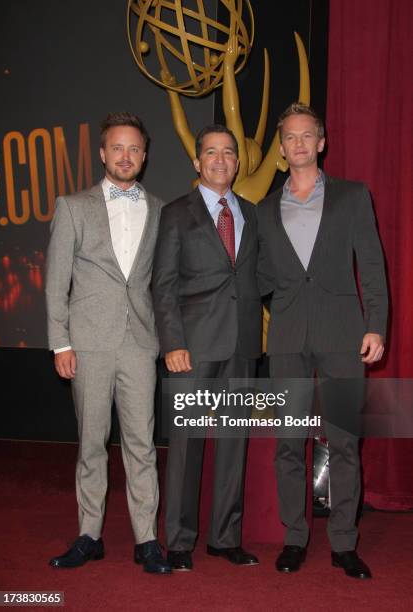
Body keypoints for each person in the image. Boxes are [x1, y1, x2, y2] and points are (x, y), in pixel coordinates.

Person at [257, 103, 388, 579]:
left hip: (344, 333)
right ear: (282, 146)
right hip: (288, 336)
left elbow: (371, 265)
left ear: (321, 142)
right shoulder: (265, 208)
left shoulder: (354, 197)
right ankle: (295, 538)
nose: (298, 144)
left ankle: (344, 544)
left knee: (345, 441)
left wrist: (376, 324)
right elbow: (261, 275)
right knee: (289, 443)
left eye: (306, 136)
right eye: (289, 137)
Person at [45, 112, 171, 574]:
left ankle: (147, 539)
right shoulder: (73, 206)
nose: (125, 156)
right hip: (89, 342)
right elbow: (56, 280)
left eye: (134, 149)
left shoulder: (160, 209)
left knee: (141, 444)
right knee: (91, 443)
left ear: (144, 156)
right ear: (103, 154)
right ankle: (89, 535)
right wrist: (60, 343)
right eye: (117, 148)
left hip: (139, 342)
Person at [152, 125, 261, 571]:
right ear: (197, 162)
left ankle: (224, 537)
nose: (220, 159)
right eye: (211, 153)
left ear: (238, 162)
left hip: (243, 344)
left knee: (234, 443)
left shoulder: (253, 214)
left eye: (228, 153)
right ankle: (179, 542)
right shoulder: (176, 213)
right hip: (192, 348)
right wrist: (172, 343)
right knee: (186, 446)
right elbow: (163, 285)